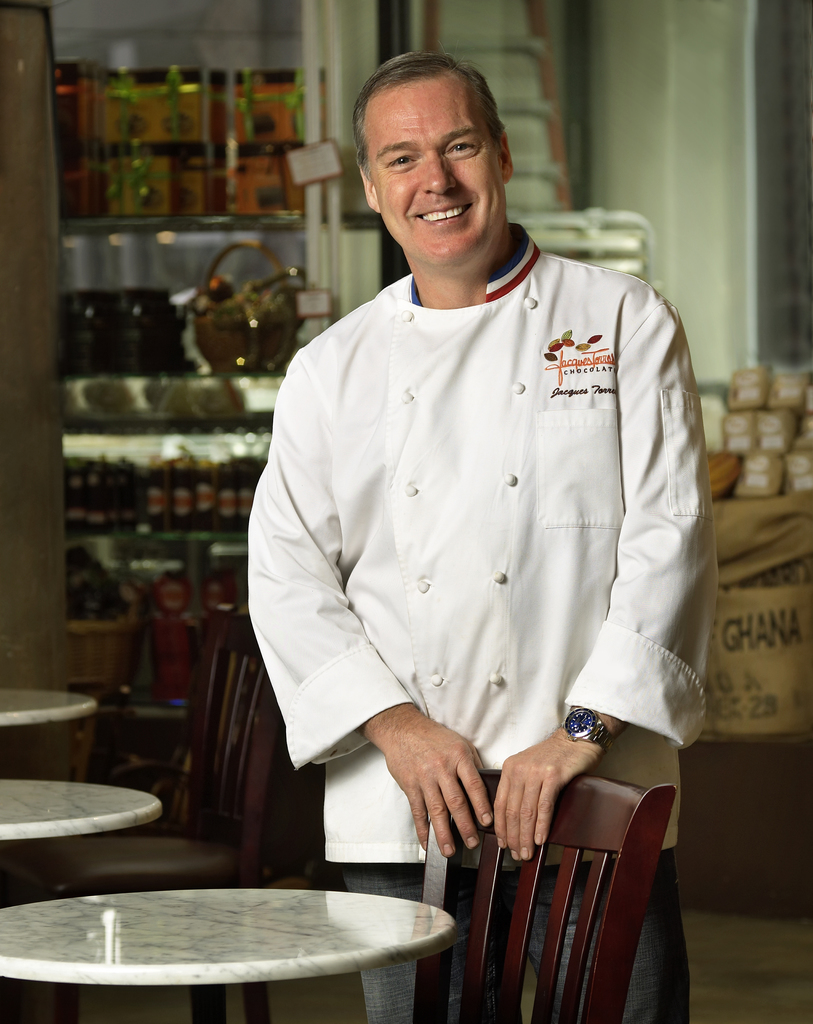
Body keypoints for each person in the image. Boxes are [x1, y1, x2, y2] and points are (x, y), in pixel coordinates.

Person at [248, 50, 717, 1024]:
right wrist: (397, 728)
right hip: (405, 803)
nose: (436, 181)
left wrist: (580, 735)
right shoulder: (331, 369)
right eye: (403, 158)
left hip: (592, 793)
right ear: (371, 187)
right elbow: (287, 576)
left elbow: (670, 536)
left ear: (502, 155)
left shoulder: (621, 320)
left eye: (458, 147)